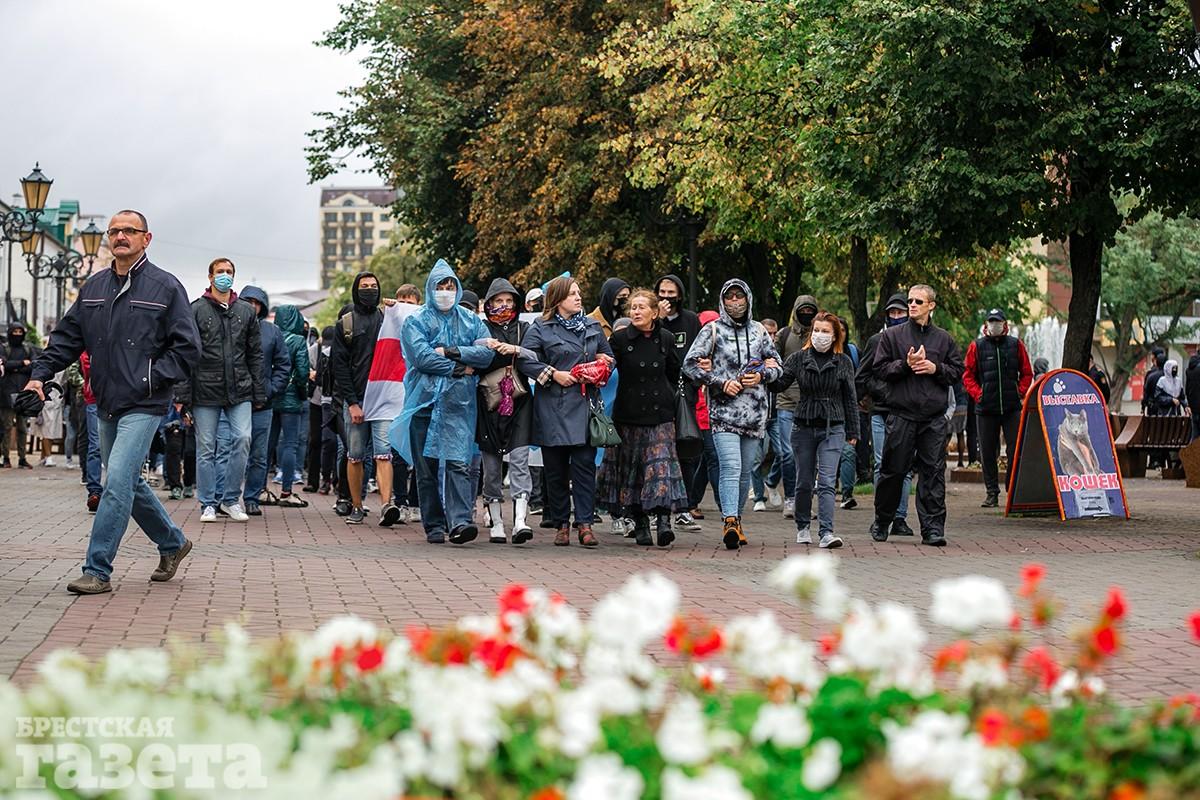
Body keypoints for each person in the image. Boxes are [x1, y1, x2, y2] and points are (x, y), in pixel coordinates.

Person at [26, 210, 200, 594]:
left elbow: (188, 349)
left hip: (146, 401)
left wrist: (150, 377)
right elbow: (66, 340)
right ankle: (173, 543)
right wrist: (38, 376)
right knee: (128, 482)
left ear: (146, 238)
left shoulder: (166, 287)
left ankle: (97, 570)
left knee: (116, 482)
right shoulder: (94, 287)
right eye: (115, 231)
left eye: (129, 231)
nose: (120, 236)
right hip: (105, 400)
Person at [395, 260, 498, 544]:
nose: (445, 291)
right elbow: (421, 357)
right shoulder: (415, 322)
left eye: (450, 286)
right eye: (440, 286)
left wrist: (450, 351)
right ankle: (434, 525)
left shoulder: (470, 320)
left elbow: (486, 354)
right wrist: (458, 367)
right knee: (425, 468)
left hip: (458, 405)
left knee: (458, 464)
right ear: (430, 288)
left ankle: (460, 523)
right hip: (423, 404)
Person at [683, 279, 782, 550]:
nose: (735, 301)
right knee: (730, 466)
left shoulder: (760, 331)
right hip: (723, 410)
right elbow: (690, 365)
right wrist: (719, 381)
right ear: (723, 301)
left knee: (744, 473)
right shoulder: (711, 330)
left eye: (740, 296)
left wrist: (762, 373)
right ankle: (729, 521)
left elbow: (778, 367)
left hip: (754, 413)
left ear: (748, 299)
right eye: (730, 297)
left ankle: (736, 520)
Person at [520, 275, 615, 548]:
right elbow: (526, 361)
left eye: (579, 293)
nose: (578, 297)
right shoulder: (541, 327)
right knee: (556, 470)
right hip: (553, 405)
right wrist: (552, 374)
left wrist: (602, 364)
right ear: (558, 299)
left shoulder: (592, 325)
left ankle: (585, 523)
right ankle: (561, 524)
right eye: (572, 293)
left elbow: (609, 357)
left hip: (585, 405)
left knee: (585, 466)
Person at [867, 284, 964, 547]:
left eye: (918, 301)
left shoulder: (944, 339)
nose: (912, 305)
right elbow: (880, 370)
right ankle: (883, 520)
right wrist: (905, 365)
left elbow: (957, 372)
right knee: (892, 471)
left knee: (932, 473)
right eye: (910, 300)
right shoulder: (893, 336)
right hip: (901, 415)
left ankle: (932, 528)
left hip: (933, 418)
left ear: (931, 306)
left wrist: (935, 368)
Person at [598, 289, 689, 547]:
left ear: (654, 312)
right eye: (633, 308)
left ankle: (663, 522)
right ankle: (639, 523)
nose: (635, 312)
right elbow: (607, 367)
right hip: (629, 415)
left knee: (660, 466)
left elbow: (674, 372)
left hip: (660, 414)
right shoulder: (619, 339)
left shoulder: (667, 339)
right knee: (635, 471)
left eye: (641, 307)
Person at [179, 258, 264, 523]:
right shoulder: (196, 310)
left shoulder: (245, 311)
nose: (224, 276)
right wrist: (182, 395)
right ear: (210, 277)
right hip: (205, 388)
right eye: (220, 272)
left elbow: (255, 355)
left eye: (229, 272)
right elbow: (186, 354)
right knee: (206, 447)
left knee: (242, 439)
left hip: (240, 388)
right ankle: (208, 502)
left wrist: (259, 392)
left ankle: (230, 499)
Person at [769, 311, 859, 548]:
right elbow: (779, 384)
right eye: (817, 330)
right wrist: (768, 371)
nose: (820, 335)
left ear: (835, 335)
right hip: (804, 426)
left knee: (827, 482)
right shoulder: (798, 358)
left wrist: (853, 432)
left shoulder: (844, 362)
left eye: (826, 331)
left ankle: (827, 532)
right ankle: (803, 526)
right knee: (804, 481)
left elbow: (850, 398)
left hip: (833, 427)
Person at [331, 272, 394, 526]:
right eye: (364, 286)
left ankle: (387, 505)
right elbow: (340, 366)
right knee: (355, 455)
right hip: (356, 400)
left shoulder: (389, 320)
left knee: (383, 453)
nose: (369, 290)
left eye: (374, 286)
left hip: (383, 399)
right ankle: (356, 505)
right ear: (356, 290)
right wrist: (353, 402)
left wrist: (399, 308)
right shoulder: (345, 324)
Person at [476, 278, 535, 544]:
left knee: (521, 459)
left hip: (520, 401)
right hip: (489, 403)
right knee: (491, 466)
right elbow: (470, 355)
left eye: (509, 301)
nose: (504, 306)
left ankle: (521, 521)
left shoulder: (524, 328)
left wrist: (517, 350)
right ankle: (496, 521)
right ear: (488, 304)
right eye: (498, 301)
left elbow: (536, 356)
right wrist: (483, 347)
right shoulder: (480, 328)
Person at [855, 293, 915, 538]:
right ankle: (882, 517)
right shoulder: (876, 341)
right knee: (883, 465)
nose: (896, 317)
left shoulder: (918, 340)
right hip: (881, 412)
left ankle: (900, 517)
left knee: (906, 468)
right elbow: (862, 376)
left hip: (909, 412)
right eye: (892, 313)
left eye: (901, 312)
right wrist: (883, 393)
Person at [962, 308, 1033, 508]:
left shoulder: (1015, 345)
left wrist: (1020, 391)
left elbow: (1027, 372)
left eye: (998, 321)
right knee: (987, 452)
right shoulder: (977, 346)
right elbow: (967, 375)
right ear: (986, 325)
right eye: (992, 321)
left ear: (1004, 324)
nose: (995, 325)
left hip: (1011, 408)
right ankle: (991, 492)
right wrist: (979, 395)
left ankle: (1012, 489)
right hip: (986, 409)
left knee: (1015, 449)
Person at [655, 273, 704, 531]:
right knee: (658, 451)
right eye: (662, 293)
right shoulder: (653, 322)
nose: (666, 298)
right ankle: (657, 509)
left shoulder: (690, 320)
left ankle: (684, 507)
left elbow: (699, 352)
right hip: (657, 392)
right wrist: (659, 319)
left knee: (686, 448)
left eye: (671, 293)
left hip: (684, 392)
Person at [237, 286, 291, 515]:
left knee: (259, 455)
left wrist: (271, 389)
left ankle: (252, 498)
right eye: (247, 301)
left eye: (256, 302)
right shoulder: (231, 327)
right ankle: (222, 497)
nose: (251, 305)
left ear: (262, 306)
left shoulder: (272, 331)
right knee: (231, 450)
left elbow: (283, 365)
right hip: (233, 401)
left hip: (262, 404)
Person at [772, 295, 818, 519]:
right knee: (788, 454)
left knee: (809, 457)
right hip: (786, 403)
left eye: (811, 310)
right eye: (803, 310)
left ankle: (805, 501)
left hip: (813, 405)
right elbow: (772, 361)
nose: (807, 314)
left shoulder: (821, 334)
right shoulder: (784, 334)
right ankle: (790, 498)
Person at [269, 305, 311, 507]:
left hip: (271, 396)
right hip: (292, 397)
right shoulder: (298, 340)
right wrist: (303, 391)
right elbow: (303, 371)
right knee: (290, 444)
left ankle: (260, 489)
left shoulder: (271, 336)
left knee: (267, 444)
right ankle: (286, 491)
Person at [751, 318, 780, 512]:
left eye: (773, 333)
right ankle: (759, 497)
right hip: (755, 415)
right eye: (767, 333)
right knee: (755, 459)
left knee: (786, 452)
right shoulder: (750, 352)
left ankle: (771, 481)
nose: (770, 337)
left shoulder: (778, 354)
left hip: (777, 414)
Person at [1, 321, 39, 468]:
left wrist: (15, 367)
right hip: (6, 394)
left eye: (19, 332)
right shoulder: (4, 348)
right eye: (14, 332)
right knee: (7, 427)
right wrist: (23, 363)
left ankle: (22, 458)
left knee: (23, 428)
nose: (17, 335)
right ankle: (6, 458)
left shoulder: (28, 348)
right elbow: (4, 365)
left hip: (24, 395)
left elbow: (34, 365)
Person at [1141, 348, 1167, 415]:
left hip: (1153, 408)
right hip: (1168, 409)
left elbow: (1146, 392)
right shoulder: (1170, 375)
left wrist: (1143, 407)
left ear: (1155, 358)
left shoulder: (1150, 375)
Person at [1186, 352, 1200, 441]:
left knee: (1195, 434)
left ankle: (1193, 454)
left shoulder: (1189, 369)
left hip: (1194, 408)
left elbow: (1187, 389)